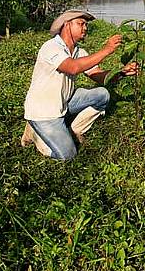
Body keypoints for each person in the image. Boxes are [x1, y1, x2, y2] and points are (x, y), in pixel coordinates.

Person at [20, 9, 138, 159]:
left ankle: (73, 130)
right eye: (81, 24)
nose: (85, 28)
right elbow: (73, 67)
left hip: (63, 101)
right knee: (67, 155)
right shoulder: (51, 47)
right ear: (67, 25)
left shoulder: (79, 51)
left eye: (86, 25)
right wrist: (107, 50)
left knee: (102, 94)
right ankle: (35, 133)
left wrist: (121, 72)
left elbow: (99, 77)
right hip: (43, 111)